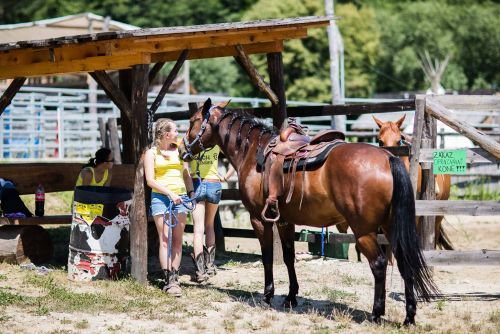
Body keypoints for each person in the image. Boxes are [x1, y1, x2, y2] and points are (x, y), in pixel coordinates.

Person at [144, 118, 195, 297]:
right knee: (165, 238)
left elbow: (186, 174)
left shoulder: (180, 151)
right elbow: (150, 180)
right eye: (175, 131)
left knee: (178, 240)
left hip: (180, 198)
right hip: (161, 198)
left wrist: (191, 193)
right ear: (166, 134)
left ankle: (175, 276)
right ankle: (168, 279)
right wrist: (169, 194)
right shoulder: (151, 153)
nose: (177, 134)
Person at [190, 145, 235, 282]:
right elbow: (234, 158)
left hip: (197, 183)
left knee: (198, 229)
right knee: (209, 225)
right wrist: (226, 177)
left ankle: (200, 271)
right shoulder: (215, 146)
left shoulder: (192, 144)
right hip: (214, 184)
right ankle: (210, 266)